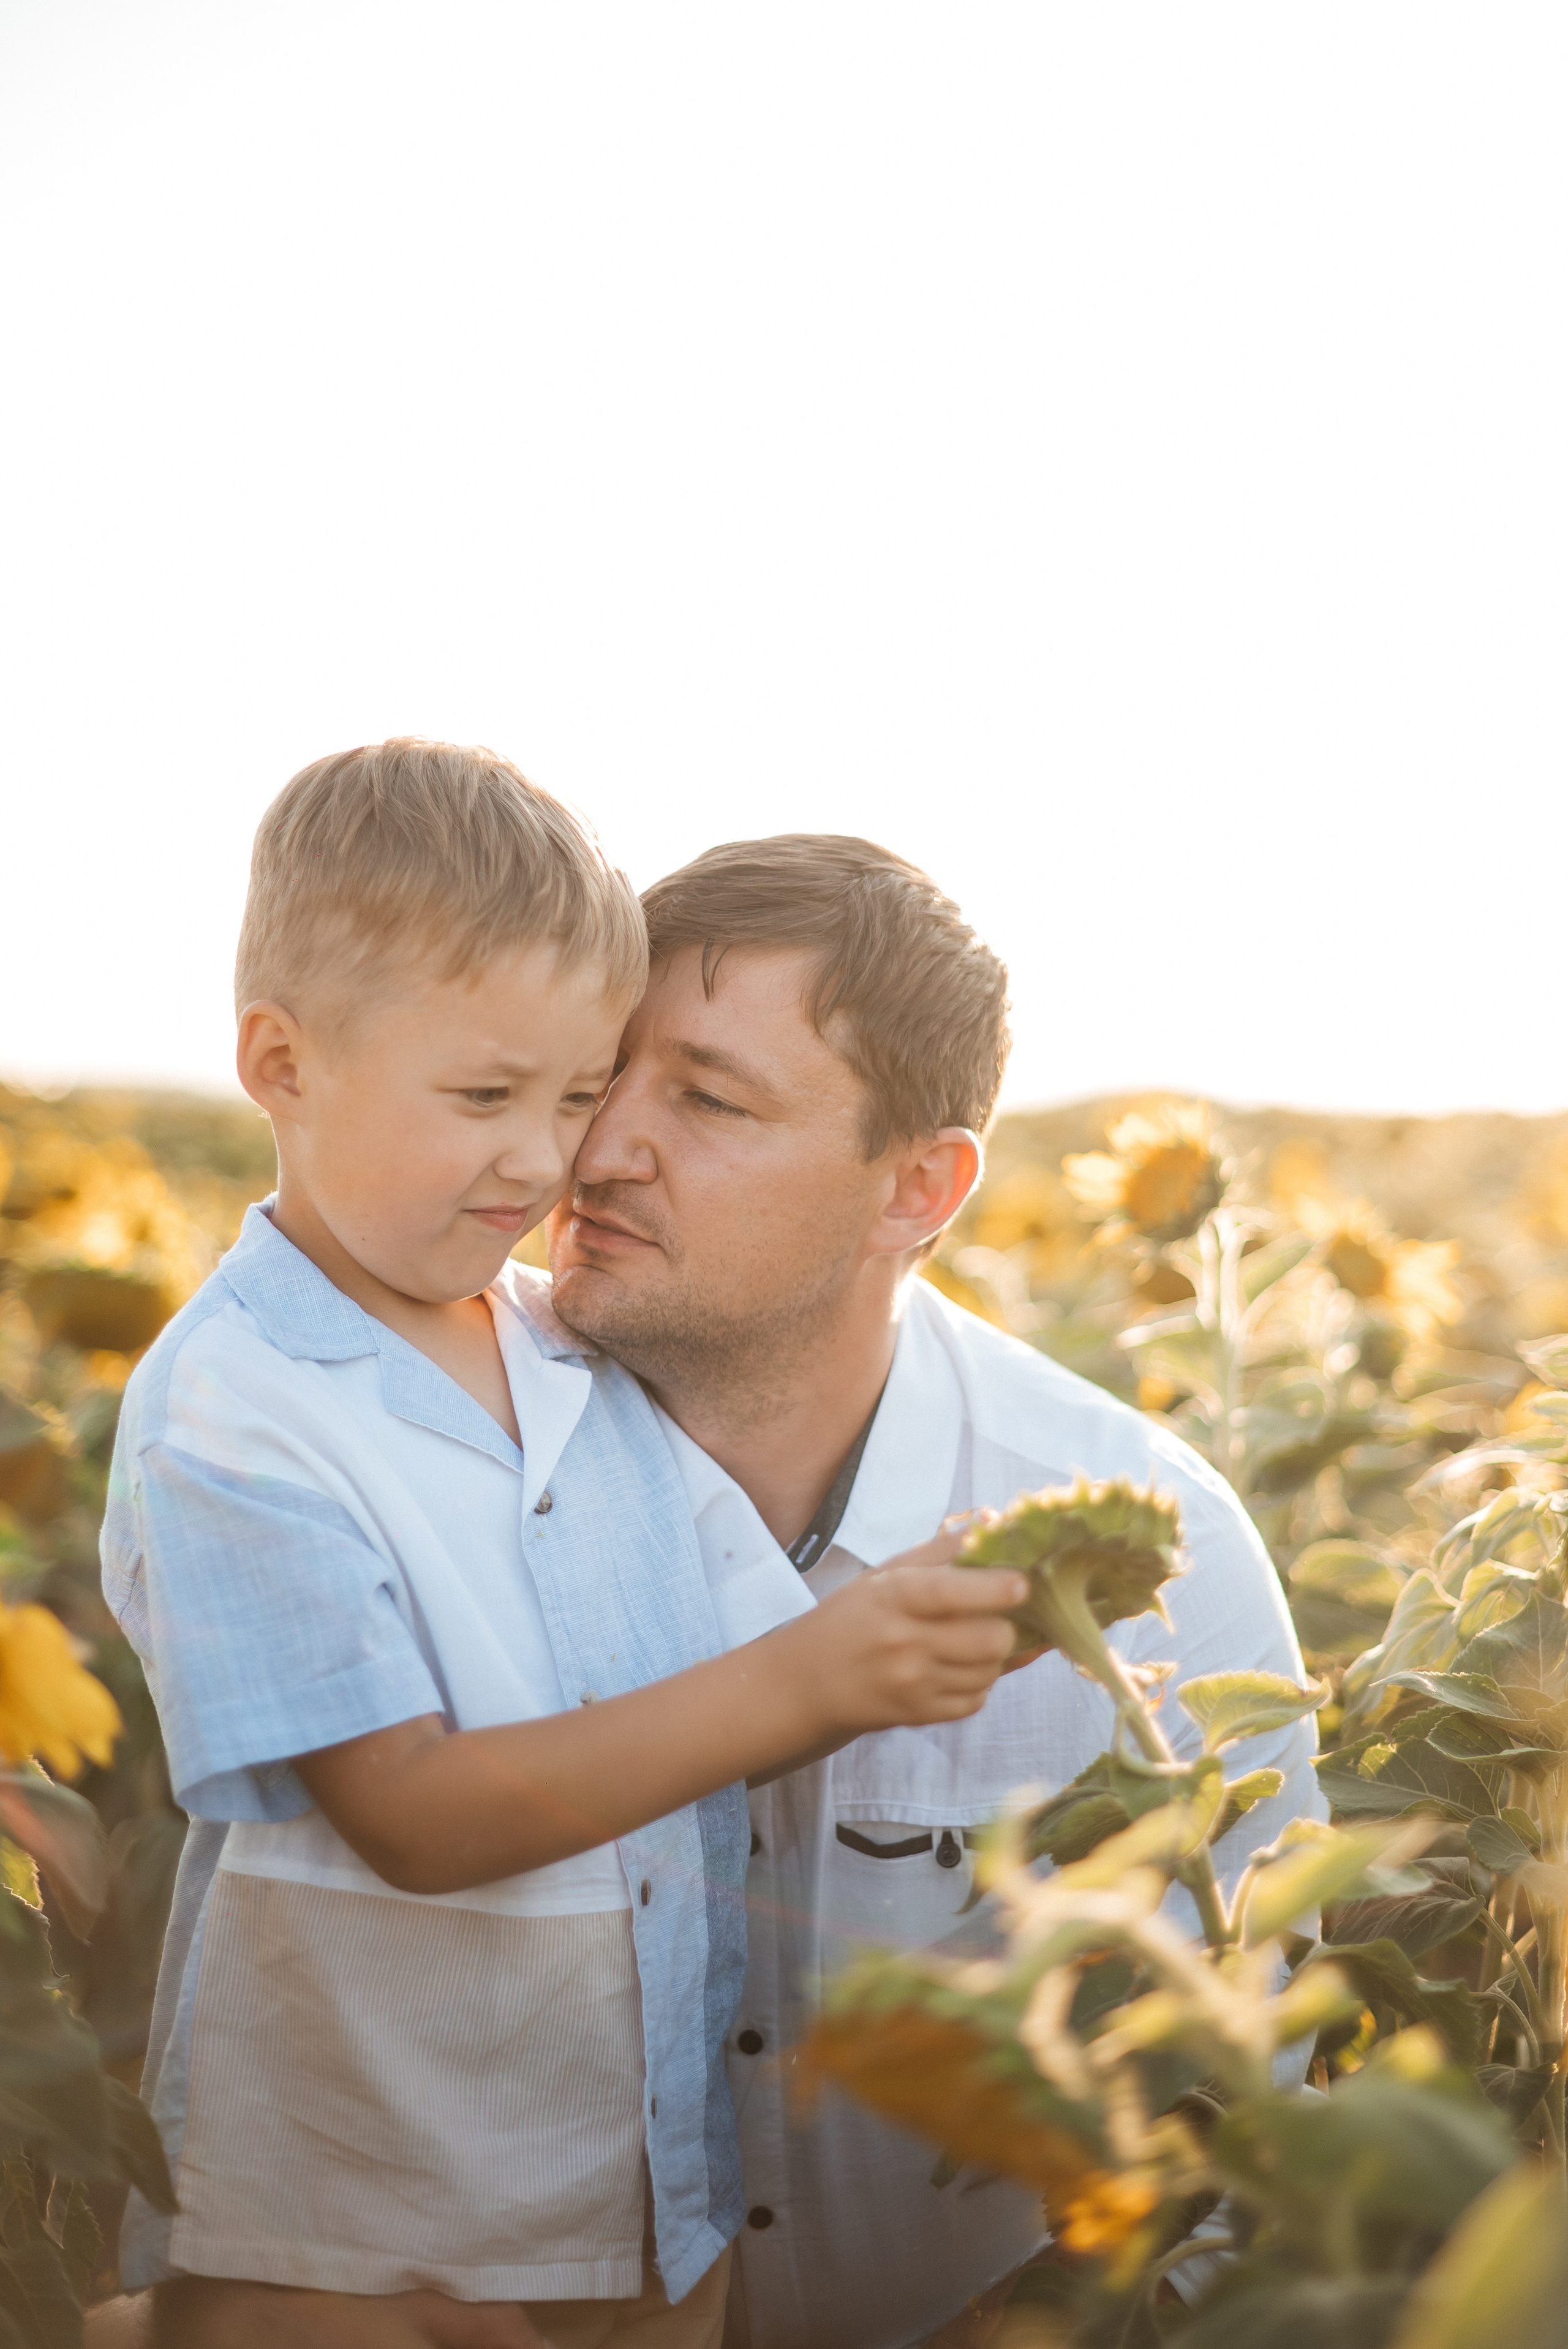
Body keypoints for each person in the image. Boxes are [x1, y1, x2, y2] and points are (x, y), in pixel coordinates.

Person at [97, 758, 1028, 2348]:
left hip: (647, 2199)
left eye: (579, 1092)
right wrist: (813, 1683)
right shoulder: (233, 1414)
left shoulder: (573, 1355)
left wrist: (958, 1585)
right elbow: (412, 1812)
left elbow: (773, 1616)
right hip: (344, 2227)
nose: (553, 1161)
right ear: (282, 1061)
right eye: (485, 1097)